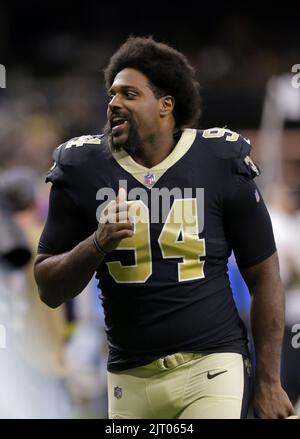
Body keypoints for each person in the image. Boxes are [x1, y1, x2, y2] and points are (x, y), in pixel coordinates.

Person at [34, 36, 296, 419]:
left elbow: (265, 276)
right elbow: (48, 288)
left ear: (165, 105)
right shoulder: (82, 167)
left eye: (129, 94)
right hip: (128, 376)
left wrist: (269, 382)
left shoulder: (219, 160)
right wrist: (96, 243)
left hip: (211, 366)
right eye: (111, 94)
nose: (113, 104)